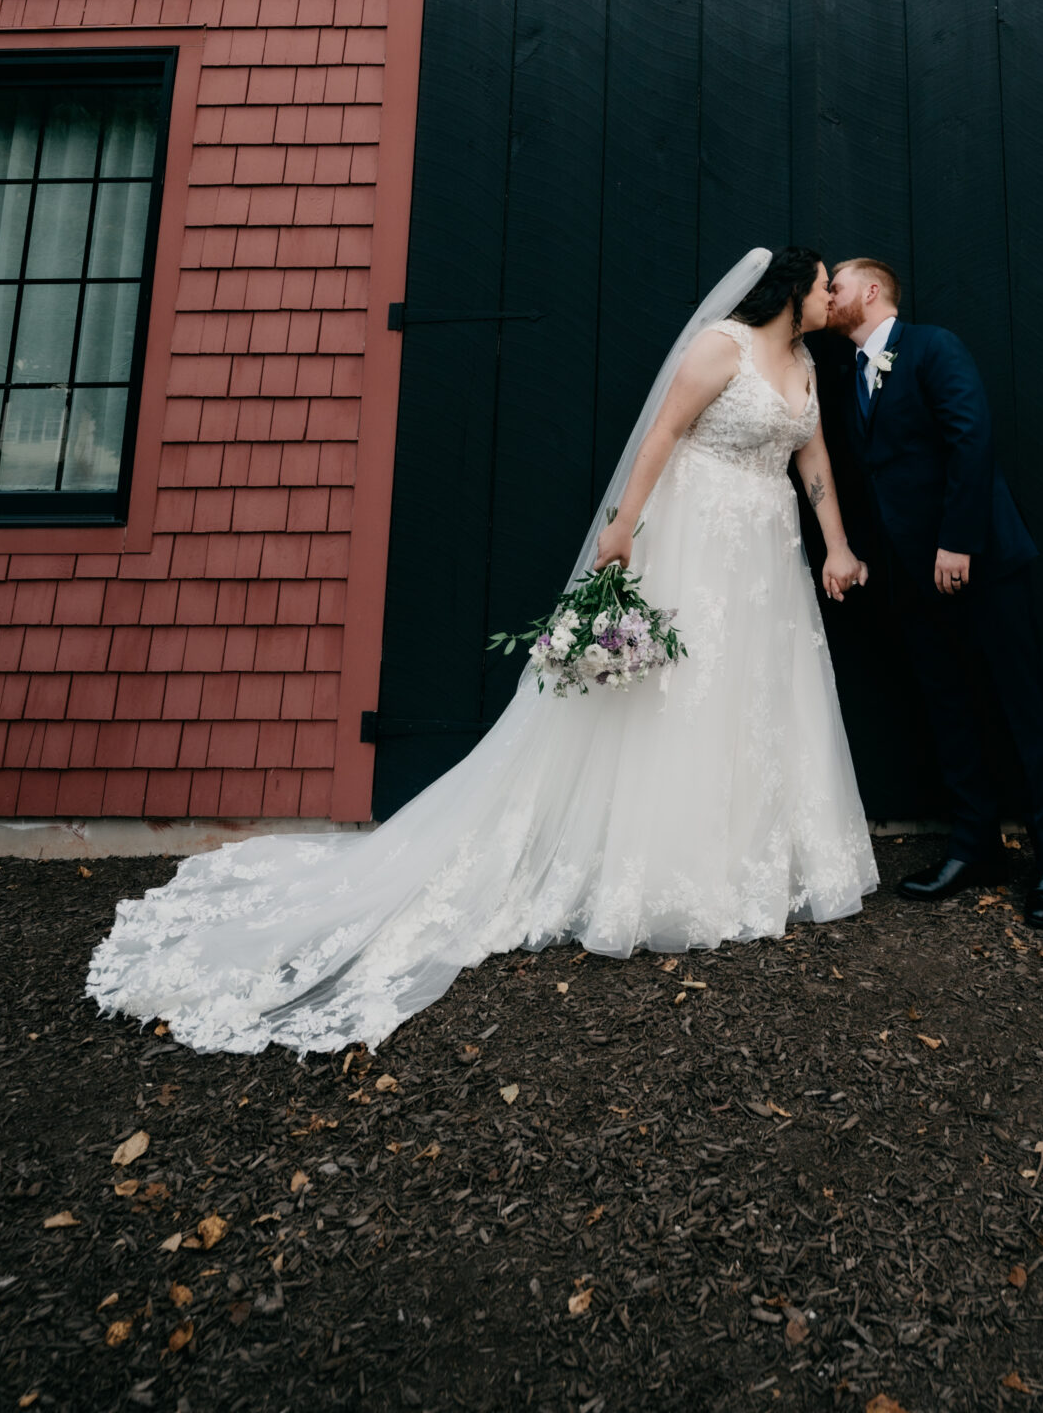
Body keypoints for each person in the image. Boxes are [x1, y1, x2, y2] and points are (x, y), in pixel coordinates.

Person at [86, 247, 877, 1054]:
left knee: (750, 696)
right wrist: (621, 527)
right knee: (679, 693)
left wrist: (835, 545)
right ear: (790, 290)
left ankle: (739, 859)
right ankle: (656, 864)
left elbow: (809, 456)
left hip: (765, 551)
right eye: (823, 287)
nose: (831, 300)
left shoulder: (807, 362)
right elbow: (664, 434)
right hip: (698, 539)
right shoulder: (722, 345)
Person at [817, 257, 1043, 928]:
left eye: (834, 286)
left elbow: (971, 439)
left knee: (1021, 708)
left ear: (870, 292)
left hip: (980, 561)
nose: (827, 295)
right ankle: (975, 849)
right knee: (948, 709)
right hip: (908, 578)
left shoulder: (933, 346)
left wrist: (957, 541)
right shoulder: (848, 373)